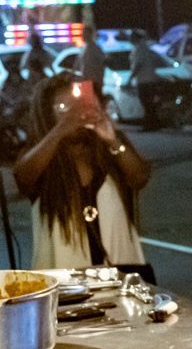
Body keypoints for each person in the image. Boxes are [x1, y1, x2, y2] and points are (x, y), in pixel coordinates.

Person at [14, 74, 152, 277]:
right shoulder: (43, 155)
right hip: (65, 286)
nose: (75, 115)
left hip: (121, 277)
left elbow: (139, 177)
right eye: (62, 109)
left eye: (81, 105)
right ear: (46, 115)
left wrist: (113, 141)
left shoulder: (110, 148)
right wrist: (61, 130)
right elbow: (23, 177)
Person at [129, 32, 166, 131]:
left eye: (131, 37)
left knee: (146, 103)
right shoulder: (144, 48)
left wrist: (131, 78)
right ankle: (155, 124)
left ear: (135, 38)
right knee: (149, 103)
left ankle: (149, 125)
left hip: (144, 80)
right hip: (148, 79)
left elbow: (138, 65)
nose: (130, 40)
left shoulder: (140, 49)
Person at [77, 29, 108, 105]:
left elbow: (103, 62)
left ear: (89, 35)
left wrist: (100, 79)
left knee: (96, 103)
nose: (83, 36)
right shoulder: (83, 48)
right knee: (88, 103)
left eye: (85, 34)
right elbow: (79, 64)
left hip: (95, 81)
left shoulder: (95, 48)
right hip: (85, 80)